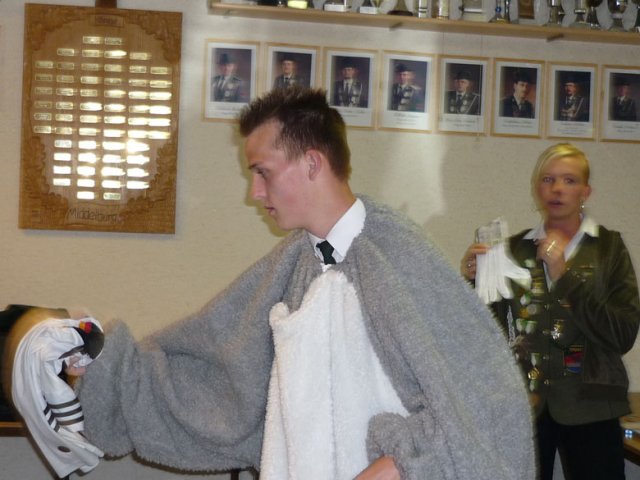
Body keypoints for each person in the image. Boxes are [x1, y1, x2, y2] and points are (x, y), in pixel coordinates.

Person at [70, 87, 534, 480]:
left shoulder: (401, 257)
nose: (255, 192)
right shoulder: (290, 264)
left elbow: (492, 402)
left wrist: (401, 464)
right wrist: (99, 358)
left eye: (263, 172)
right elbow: (215, 370)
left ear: (312, 163)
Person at [461, 143, 640, 480]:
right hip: (525, 407)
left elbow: (623, 334)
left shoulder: (608, 248)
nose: (557, 188)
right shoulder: (512, 249)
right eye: (548, 179)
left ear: (585, 191)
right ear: (537, 188)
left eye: (569, 180)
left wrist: (565, 276)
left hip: (594, 405)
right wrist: (473, 282)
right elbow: (487, 332)